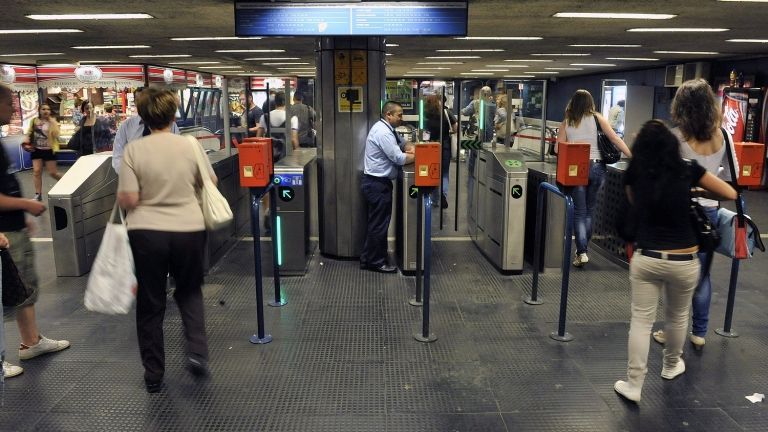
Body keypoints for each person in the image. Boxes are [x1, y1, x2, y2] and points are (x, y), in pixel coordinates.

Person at [614, 120, 737, 402]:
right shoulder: (687, 169)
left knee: (641, 321)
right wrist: (696, 191)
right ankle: (671, 366)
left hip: (648, 257)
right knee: (678, 315)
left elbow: (635, 205)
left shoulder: (635, 172)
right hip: (685, 259)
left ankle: (634, 385)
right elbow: (729, 193)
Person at [117, 87, 215, 393]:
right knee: (188, 291)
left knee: (150, 301)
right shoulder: (190, 146)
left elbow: (129, 198)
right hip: (188, 229)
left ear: (143, 117)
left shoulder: (134, 150)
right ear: (174, 115)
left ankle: (154, 374)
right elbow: (209, 181)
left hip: (147, 233)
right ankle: (197, 352)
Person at [651, 79, 739, 350]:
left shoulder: (676, 138)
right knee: (702, 277)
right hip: (709, 215)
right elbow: (732, 178)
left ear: (681, 106)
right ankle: (699, 332)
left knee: (676, 276)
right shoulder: (723, 136)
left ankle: (671, 331)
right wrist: (709, 187)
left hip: (679, 215)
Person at [0, 84, 70, 379]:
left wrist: (20, 214)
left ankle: (32, 342)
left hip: (12, 227)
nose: (14, 110)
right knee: (6, 292)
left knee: (23, 287)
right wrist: (27, 203)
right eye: (9, 105)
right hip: (3, 233)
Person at [557, 89, 632, 267]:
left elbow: (557, 149)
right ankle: (583, 249)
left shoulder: (567, 122)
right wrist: (632, 156)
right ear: (590, 103)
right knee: (590, 211)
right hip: (598, 167)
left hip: (577, 168)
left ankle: (582, 252)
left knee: (579, 212)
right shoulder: (598, 119)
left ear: (573, 103)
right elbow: (615, 139)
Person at [360, 101, 415, 273]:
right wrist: (418, 155)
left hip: (376, 183)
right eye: (399, 114)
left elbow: (400, 142)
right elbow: (398, 158)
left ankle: (368, 258)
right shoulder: (383, 132)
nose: (401, 118)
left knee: (377, 223)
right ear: (388, 115)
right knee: (379, 225)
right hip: (377, 185)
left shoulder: (387, 129)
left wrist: (409, 147)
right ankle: (376, 262)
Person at [112, 88, 181, 174]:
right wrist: (130, 176)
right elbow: (118, 157)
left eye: (146, 101)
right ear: (135, 102)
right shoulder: (126, 126)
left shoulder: (171, 124)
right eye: (139, 100)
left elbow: (177, 152)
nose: (143, 104)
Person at [22, 103, 62, 201]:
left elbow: (57, 135)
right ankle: (38, 194)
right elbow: (29, 132)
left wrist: (53, 123)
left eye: (48, 109)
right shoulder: (34, 121)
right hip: (36, 149)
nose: (46, 111)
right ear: (39, 110)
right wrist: (25, 142)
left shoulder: (52, 122)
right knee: (36, 171)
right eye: (43, 109)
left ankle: (67, 183)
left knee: (53, 173)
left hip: (49, 149)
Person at [424, 94, 456, 209]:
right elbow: (456, 128)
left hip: (430, 146)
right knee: (444, 173)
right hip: (444, 145)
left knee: (432, 171)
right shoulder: (447, 112)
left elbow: (423, 131)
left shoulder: (426, 114)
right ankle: (443, 195)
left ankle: (434, 198)